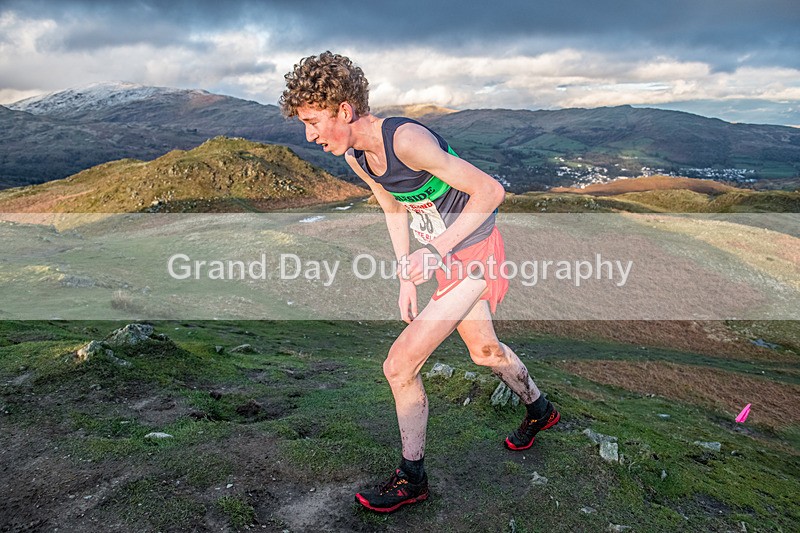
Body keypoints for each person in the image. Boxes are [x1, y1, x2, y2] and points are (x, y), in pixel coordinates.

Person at [280, 51, 560, 513]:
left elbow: (491, 191)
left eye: (312, 122)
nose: (309, 135)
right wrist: (405, 275)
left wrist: (436, 250)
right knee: (484, 352)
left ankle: (413, 479)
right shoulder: (357, 156)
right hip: (445, 256)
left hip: (474, 254)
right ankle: (541, 410)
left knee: (399, 365)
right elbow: (393, 207)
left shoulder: (406, 141)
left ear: (344, 110)